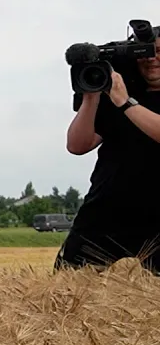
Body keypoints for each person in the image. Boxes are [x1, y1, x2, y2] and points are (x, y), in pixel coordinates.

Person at [59, 37, 160, 274]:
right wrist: (91, 97)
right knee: (67, 288)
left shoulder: (123, 99)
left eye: (159, 51)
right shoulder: (119, 95)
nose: (152, 59)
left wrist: (125, 103)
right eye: (145, 52)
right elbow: (77, 145)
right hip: (106, 210)